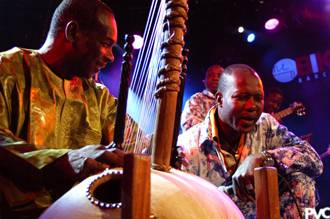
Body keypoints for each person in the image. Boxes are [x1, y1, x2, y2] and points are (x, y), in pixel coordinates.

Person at [0, 0, 124, 217]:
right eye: (105, 44)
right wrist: (66, 159)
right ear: (73, 32)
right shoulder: (8, 70)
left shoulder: (99, 96)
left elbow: (136, 145)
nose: (111, 57)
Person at [177, 64, 323, 218]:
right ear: (219, 99)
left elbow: (315, 162)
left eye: (258, 98)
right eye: (242, 97)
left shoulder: (265, 124)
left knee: (301, 180)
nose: (252, 106)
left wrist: (264, 158)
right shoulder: (188, 146)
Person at [180, 64, 224, 131]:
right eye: (210, 75)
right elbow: (189, 124)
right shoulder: (197, 99)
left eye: (219, 76)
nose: (215, 78)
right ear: (204, 81)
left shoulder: (230, 101)